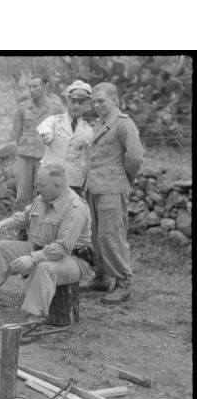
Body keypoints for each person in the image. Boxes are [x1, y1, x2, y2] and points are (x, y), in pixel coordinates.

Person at [0, 163, 92, 323]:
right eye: (37, 184)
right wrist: (6, 223)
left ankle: (34, 317)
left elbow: (62, 248)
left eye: (42, 185)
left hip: (71, 259)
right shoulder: (43, 198)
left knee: (45, 268)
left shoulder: (75, 209)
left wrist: (32, 259)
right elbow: (25, 216)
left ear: (57, 185)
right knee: (3, 248)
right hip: (39, 250)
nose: (38, 189)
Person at [82, 82, 144, 304]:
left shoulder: (123, 124)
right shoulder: (100, 123)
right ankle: (100, 276)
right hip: (94, 187)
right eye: (94, 101)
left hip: (112, 188)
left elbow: (135, 157)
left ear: (115, 100)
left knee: (111, 235)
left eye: (101, 101)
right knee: (95, 235)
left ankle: (122, 282)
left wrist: (125, 178)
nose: (97, 105)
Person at [13, 76, 65, 214]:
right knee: (22, 195)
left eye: (35, 86)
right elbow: (17, 133)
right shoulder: (23, 108)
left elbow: (62, 134)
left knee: (45, 193)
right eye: (29, 87)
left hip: (46, 156)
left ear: (44, 87)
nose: (31, 90)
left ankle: (41, 227)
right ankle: (22, 229)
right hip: (24, 156)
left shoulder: (56, 109)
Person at [37, 80, 93, 196]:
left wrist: (86, 183)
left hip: (73, 182)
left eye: (81, 102)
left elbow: (89, 160)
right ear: (67, 102)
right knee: (46, 211)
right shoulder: (55, 120)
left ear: (87, 106)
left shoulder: (89, 131)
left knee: (71, 212)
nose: (76, 106)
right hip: (50, 180)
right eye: (73, 101)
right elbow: (44, 126)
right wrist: (47, 135)